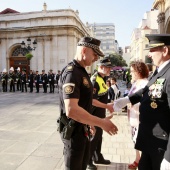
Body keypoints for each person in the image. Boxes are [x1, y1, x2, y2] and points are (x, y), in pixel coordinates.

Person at [58, 36, 118, 170]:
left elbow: (84, 102)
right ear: (84, 50)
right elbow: (72, 110)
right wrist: (101, 122)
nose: (96, 58)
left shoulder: (82, 71)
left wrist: (90, 122)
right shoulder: (72, 73)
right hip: (73, 133)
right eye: (95, 54)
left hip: (82, 130)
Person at [114, 34, 170, 170]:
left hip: (161, 145)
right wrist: (128, 99)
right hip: (149, 140)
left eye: (152, 50)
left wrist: (169, 158)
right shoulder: (158, 72)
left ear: (165, 51)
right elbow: (148, 90)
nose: (149, 55)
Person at [87, 57, 114, 170]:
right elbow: (92, 100)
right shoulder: (94, 80)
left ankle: (98, 157)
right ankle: (88, 161)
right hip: (94, 114)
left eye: (109, 68)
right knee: (94, 138)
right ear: (100, 67)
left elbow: (102, 96)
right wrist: (107, 106)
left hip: (100, 114)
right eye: (107, 68)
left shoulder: (102, 78)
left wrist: (109, 104)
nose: (109, 70)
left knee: (99, 137)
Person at [126, 61, 149, 170]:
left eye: (132, 71)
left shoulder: (145, 83)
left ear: (138, 72)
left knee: (140, 141)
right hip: (134, 118)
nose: (131, 74)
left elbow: (145, 100)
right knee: (135, 140)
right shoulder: (136, 83)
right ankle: (137, 159)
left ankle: (142, 164)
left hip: (140, 119)